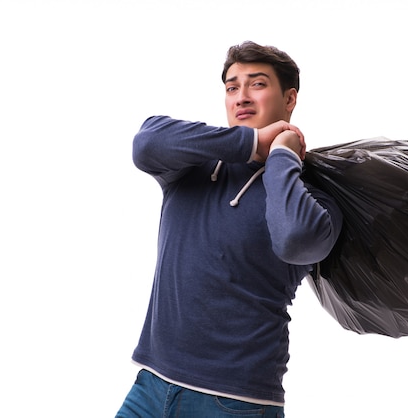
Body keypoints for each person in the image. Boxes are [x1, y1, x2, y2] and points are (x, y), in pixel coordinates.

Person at [115, 41, 343, 418]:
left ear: (290, 99)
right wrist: (253, 143)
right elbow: (147, 142)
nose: (241, 97)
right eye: (232, 87)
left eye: (256, 84)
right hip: (150, 387)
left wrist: (282, 155)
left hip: (236, 403)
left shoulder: (313, 195)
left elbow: (295, 239)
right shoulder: (194, 167)